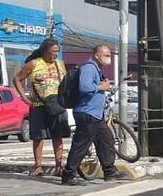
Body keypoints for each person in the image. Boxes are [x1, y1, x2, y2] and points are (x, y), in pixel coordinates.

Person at [61, 44, 126, 185]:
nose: (109, 58)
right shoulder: (88, 68)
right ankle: (68, 175)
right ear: (97, 55)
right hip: (87, 114)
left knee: (106, 139)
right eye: (106, 55)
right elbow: (84, 87)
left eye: (109, 55)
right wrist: (101, 87)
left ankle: (110, 171)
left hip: (95, 115)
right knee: (81, 145)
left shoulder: (97, 69)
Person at [13, 38, 70, 177]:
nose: (55, 54)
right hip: (39, 105)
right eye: (53, 51)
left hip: (57, 106)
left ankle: (59, 166)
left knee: (58, 136)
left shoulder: (60, 64)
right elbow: (17, 79)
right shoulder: (33, 64)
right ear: (45, 51)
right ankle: (38, 166)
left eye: (57, 51)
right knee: (38, 137)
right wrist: (24, 98)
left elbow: (67, 82)